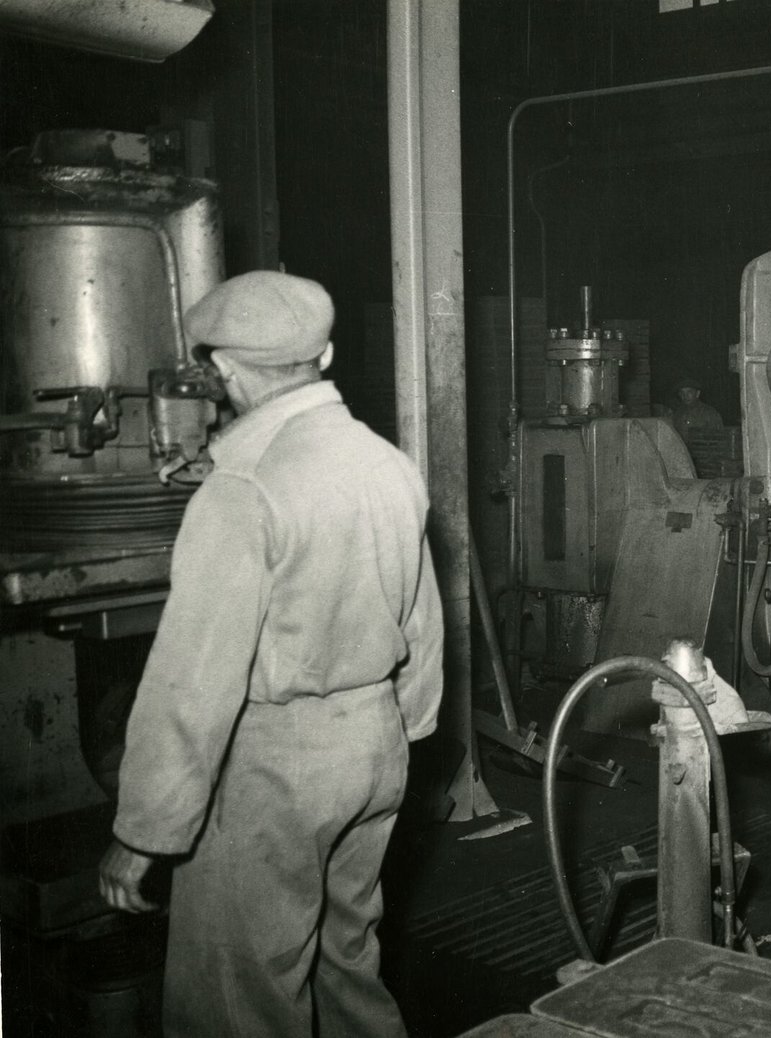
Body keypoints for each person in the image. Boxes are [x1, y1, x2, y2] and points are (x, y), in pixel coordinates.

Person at [98, 270, 443, 1036]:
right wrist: (405, 727)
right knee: (345, 969)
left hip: (277, 770)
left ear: (223, 370)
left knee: (237, 1001)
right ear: (321, 358)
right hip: (374, 745)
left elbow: (194, 678)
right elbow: (424, 621)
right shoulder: (388, 463)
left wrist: (143, 830)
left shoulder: (243, 489)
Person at [670, 376, 723, 445]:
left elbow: (719, 439)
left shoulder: (710, 413)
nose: (685, 396)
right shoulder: (677, 414)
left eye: (689, 392)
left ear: (697, 394)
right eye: (682, 393)